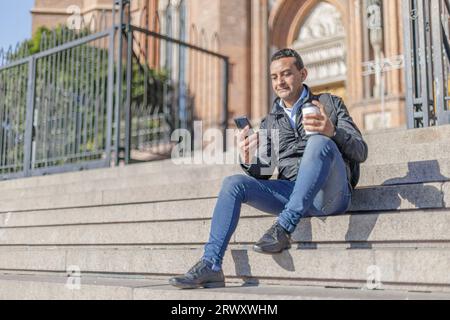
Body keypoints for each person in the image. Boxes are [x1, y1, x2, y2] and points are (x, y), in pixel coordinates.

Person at [169, 48, 368, 289]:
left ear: (303, 73)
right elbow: (263, 172)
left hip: (330, 194)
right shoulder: (270, 121)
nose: (279, 82)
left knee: (318, 141)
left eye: (286, 74)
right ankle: (211, 264)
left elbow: (360, 151)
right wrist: (247, 156)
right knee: (233, 184)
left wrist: (332, 132)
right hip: (292, 191)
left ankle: (283, 227)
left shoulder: (330, 103)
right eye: (274, 77)